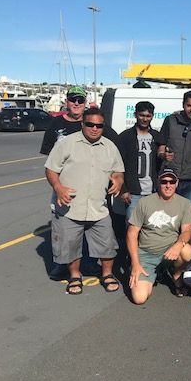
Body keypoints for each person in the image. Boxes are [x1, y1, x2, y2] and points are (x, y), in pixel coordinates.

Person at [44, 107, 125, 295]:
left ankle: (107, 274)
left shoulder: (110, 147)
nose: (94, 128)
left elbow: (118, 170)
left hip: (98, 207)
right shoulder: (67, 144)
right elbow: (51, 169)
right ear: (82, 124)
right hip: (70, 207)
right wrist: (58, 187)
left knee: (107, 245)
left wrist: (118, 180)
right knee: (71, 245)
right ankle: (74, 276)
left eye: (99, 125)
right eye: (90, 124)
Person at [126, 168, 191, 304]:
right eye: (164, 181)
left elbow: (187, 231)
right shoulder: (144, 202)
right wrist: (135, 263)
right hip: (146, 254)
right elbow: (131, 233)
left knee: (187, 252)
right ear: (158, 182)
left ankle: (176, 274)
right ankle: (155, 273)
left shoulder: (185, 203)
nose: (168, 185)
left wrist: (178, 245)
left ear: (177, 183)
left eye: (172, 181)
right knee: (139, 298)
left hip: (170, 251)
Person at [116, 101, 165, 222]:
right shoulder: (125, 137)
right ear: (135, 115)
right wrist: (123, 189)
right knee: (132, 227)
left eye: (148, 116)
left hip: (153, 192)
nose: (144, 119)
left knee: (151, 227)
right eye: (141, 115)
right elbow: (118, 165)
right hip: (133, 192)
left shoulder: (157, 137)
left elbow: (162, 162)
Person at [158, 90, 191, 207]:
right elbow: (161, 147)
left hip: (190, 179)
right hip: (169, 177)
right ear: (183, 104)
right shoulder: (170, 120)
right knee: (166, 213)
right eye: (189, 105)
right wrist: (163, 155)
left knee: (186, 215)